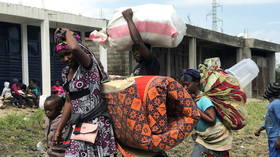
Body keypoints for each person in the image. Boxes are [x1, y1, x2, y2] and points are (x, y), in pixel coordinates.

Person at [52, 28, 117, 157]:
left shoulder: (88, 65)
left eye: (68, 54)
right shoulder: (66, 73)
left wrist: (67, 33)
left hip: (96, 123)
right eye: (61, 56)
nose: (65, 58)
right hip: (80, 125)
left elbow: (76, 48)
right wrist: (59, 129)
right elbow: (69, 102)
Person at [180, 69, 232, 157]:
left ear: (196, 83)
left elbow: (212, 120)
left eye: (187, 84)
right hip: (203, 139)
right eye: (183, 85)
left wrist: (194, 108)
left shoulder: (203, 99)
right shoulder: (193, 99)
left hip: (216, 139)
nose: (185, 88)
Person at [122, 8, 160, 76]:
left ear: (147, 50)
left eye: (138, 49)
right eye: (133, 50)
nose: (136, 52)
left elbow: (138, 42)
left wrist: (129, 19)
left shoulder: (151, 62)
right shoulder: (137, 67)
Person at [255, 82, 280, 157]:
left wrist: (279, 139)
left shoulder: (276, 104)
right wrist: (260, 129)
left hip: (276, 138)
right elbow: (270, 120)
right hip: (272, 138)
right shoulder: (273, 104)